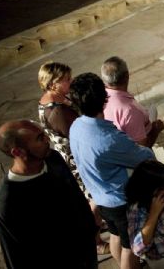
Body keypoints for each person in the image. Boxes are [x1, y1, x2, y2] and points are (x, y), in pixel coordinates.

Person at [69, 72, 155, 269]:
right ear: (104, 97)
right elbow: (144, 157)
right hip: (119, 200)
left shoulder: (75, 126)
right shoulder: (109, 139)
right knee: (130, 247)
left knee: (115, 235)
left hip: (100, 196)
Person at [0, 119, 97, 269]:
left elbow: (77, 198)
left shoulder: (53, 159)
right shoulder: (8, 202)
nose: (47, 140)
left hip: (86, 256)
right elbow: (16, 257)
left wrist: (91, 230)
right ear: (17, 152)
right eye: (40, 138)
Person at [37, 61, 110, 256]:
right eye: (67, 80)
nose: (71, 82)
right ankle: (95, 241)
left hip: (75, 155)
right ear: (53, 83)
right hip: (77, 159)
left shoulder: (55, 99)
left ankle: (97, 225)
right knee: (93, 199)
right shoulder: (57, 111)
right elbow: (79, 132)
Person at [101, 56, 164, 147]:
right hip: (131, 155)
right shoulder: (130, 111)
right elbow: (142, 149)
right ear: (127, 75)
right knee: (152, 109)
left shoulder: (99, 98)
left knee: (151, 109)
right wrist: (155, 130)